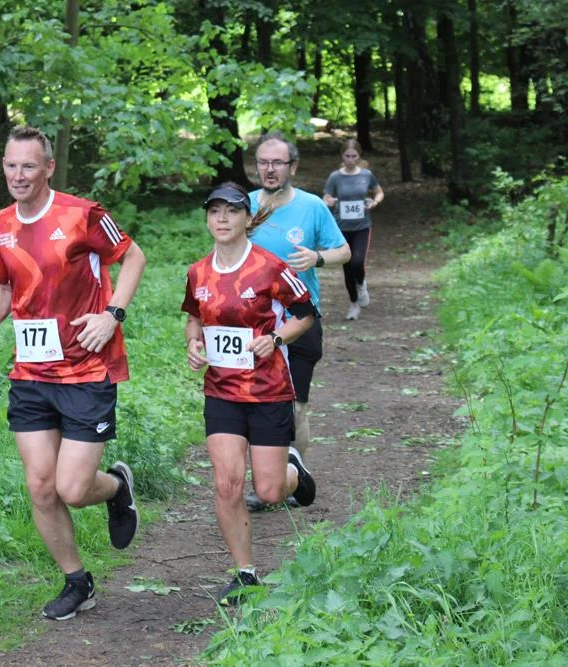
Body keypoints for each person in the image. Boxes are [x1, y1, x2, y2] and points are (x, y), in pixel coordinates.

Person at [0, 125, 146, 621]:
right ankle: (77, 581)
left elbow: (134, 257)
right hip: (31, 371)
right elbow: (2, 284)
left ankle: (116, 487)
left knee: (73, 488)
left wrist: (112, 314)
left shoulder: (82, 214)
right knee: (41, 487)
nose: (18, 175)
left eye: (28, 166)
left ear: (48, 168)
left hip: (87, 366)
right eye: (11, 165)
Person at [183, 182, 318, 605]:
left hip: (268, 390)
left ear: (247, 218)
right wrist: (194, 343)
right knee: (227, 483)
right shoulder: (198, 272)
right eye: (214, 211)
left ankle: (294, 472)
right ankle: (246, 573)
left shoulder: (269, 267)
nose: (222, 218)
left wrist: (276, 338)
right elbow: (194, 317)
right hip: (221, 390)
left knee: (270, 491)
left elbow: (305, 315)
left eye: (231, 211)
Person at [244, 131, 351, 510]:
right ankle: (266, 480)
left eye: (277, 162)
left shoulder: (312, 207)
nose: (269, 169)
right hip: (251, 322)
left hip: (300, 319)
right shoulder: (244, 205)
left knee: (295, 405)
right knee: (253, 405)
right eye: (263, 162)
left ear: (293, 166)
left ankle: (293, 475)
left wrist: (317, 258)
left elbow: (344, 251)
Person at [323, 139, 385, 320]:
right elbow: (326, 196)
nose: (350, 160)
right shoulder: (335, 177)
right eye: (347, 156)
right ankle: (354, 304)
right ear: (342, 156)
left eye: (354, 156)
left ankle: (361, 283)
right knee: (347, 265)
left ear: (359, 156)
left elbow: (379, 192)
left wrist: (375, 202)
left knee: (357, 262)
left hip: (362, 226)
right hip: (341, 227)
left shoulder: (366, 175)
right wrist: (330, 201)